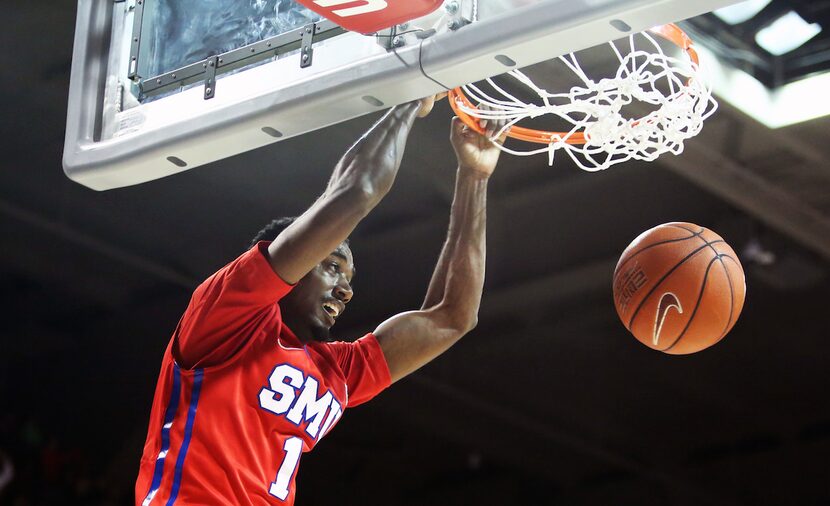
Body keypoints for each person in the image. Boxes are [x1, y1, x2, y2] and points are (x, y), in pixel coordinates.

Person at [135, 95, 505, 505]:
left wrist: (474, 176)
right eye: (332, 267)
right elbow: (355, 193)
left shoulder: (337, 372)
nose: (346, 290)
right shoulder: (228, 313)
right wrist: (409, 97)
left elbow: (453, 317)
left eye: (349, 279)